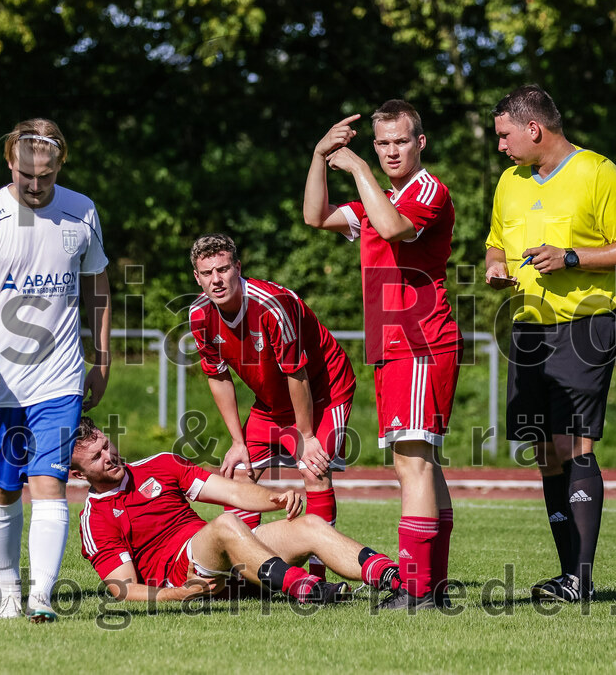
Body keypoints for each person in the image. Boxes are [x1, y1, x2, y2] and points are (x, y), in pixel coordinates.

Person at [484, 85, 616, 602]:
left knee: (573, 443)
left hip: (584, 328)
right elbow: (496, 241)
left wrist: (573, 258)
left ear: (534, 129)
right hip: (528, 331)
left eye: (505, 135)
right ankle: (567, 576)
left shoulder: (598, 173)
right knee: (544, 450)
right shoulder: (510, 182)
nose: (501, 146)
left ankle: (580, 577)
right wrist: (495, 264)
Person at [0, 118, 111, 622]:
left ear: (60, 165)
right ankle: (9, 591)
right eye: (25, 175)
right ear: (9, 164)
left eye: (45, 175)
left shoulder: (82, 212)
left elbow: (99, 288)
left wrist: (100, 359)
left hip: (58, 378)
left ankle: (41, 597)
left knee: (49, 481)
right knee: (2, 488)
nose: (35, 185)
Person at [302, 100, 463, 611]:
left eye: (401, 141)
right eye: (383, 143)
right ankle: (430, 586)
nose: (393, 150)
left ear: (421, 143)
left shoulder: (426, 191)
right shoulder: (383, 198)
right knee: (423, 466)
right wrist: (318, 156)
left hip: (420, 342)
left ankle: (415, 589)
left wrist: (358, 168)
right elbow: (316, 215)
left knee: (411, 465)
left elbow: (394, 228)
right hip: (395, 347)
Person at [73, 417, 402, 604]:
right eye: (97, 457)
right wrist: (176, 595)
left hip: (231, 553)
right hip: (189, 572)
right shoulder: (94, 518)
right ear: (77, 474)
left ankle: (394, 578)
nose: (109, 456)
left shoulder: (160, 464)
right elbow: (123, 587)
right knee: (225, 524)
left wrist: (273, 498)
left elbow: (230, 490)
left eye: (106, 445)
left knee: (309, 524)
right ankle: (305, 588)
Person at [188, 234, 356, 578]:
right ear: (197, 277)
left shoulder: (271, 304)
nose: (216, 280)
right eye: (207, 273)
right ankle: (242, 573)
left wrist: (306, 437)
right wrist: (237, 442)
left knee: (314, 469)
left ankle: (316, 576)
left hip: (324, 392)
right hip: (270, 402)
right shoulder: (198, 315)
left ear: (238, 267)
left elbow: (297, 373)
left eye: (223, 269)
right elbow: (218, 377)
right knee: (238, 474)